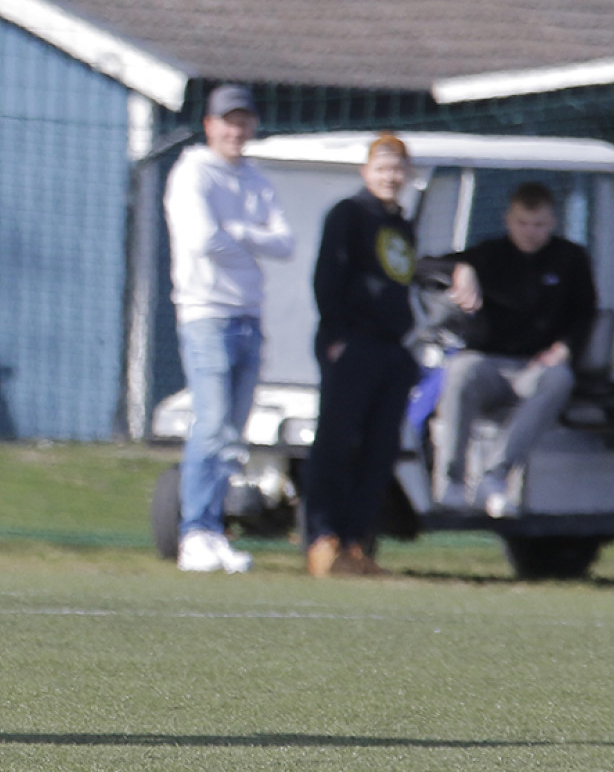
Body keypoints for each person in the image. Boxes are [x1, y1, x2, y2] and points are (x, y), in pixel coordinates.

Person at [162, 84, 295, 574]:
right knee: (212, 425)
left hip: (248, 317)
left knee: (232, 433)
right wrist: (246, 240)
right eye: (227, 121)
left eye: (243, 121)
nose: (236, 130)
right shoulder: (192, 173)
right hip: (206, 313)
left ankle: (213, 531)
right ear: (209, 125)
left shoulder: (256, 180)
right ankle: (194, 531)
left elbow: (285, 243)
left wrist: (238, 233)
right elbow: (202, 241)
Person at [305, 133, 435, 578]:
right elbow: (328, 276)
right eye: (382, 168)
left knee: (380, 451)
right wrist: (338, 335)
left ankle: (356, 543)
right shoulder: (349, 214)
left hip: (392, 349)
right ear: (366, 172)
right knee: (337, 443)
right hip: (353, 343)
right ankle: (322, 539)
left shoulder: (400, 223)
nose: (390, 176)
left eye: (397, 168)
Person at [433, 182, 596, 517]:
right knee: (461, 370)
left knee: (558, 379)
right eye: (523, 223)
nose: (530, 232)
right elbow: (422, 267)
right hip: (489, 364)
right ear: (508, 220)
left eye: (538, 225)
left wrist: (565, 348)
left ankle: (494, 476)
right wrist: (459, 271)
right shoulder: (487, 255)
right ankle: (452, 481)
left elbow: (585, 313)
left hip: (535, 367)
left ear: (553, 222)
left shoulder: (571, 260)